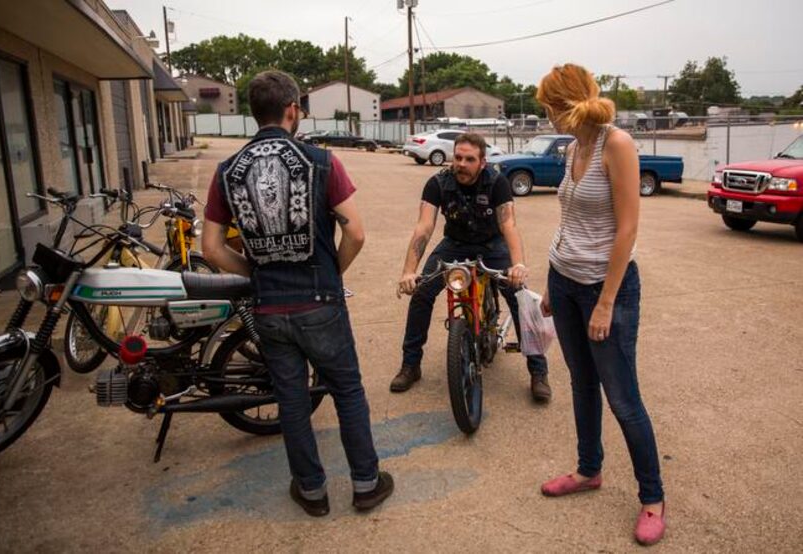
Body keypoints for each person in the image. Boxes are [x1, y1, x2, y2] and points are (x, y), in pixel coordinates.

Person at [202, 70, 392, 517]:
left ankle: (311, 491)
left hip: (269, 306)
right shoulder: (321, 161)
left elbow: (210, 248)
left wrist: (254, 274)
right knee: (346, 391)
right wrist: (331, 272)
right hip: (320, 300)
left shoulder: (227, 171)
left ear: (254, 113)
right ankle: (365, 483)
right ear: (292, 110)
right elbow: (357, 233)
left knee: (292, 400)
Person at [535, 63, 665, 546]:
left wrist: (606, 302)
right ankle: (589, 470)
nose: (544, 115)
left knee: (623, 398)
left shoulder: (618, 144)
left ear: (563, 105)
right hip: (564, 281)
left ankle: (653, 498)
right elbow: (569, 218)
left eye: (547, 106)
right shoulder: (574, 147)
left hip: (603, 288)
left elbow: (627, 229)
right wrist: (553, 283)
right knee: (581, 383)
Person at [394, 133, 551, 402]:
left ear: (482, 162)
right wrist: (409, 271)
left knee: (519, 296)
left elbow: (508, 225)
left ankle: (538, 371)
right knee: (421, 293)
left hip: (492, 245)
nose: (462, 164)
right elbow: (424, 226)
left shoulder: (497, 182)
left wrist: (518, 265)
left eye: (469, 159)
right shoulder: (438, 183)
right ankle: (411, 365)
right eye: (458, 157)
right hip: (454, 244)